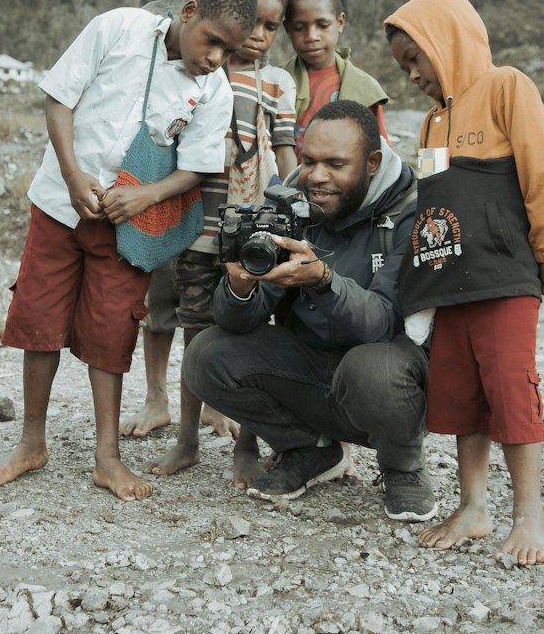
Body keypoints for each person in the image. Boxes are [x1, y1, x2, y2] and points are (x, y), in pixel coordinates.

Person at [0, 0, 258, 503]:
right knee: (40, 318)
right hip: (60, 206)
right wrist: (69, 173)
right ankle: (31, 442)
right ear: (188, 11)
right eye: (212, 40)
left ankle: (107, 457)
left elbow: (197, 169)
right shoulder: (118, 28)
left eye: (230, 50)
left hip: (128, 226)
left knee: (111, 332)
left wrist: (147, 196)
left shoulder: (214, 90)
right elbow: (59, 100)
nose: (217, 57)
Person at [385, 0, 544, 566]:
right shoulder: (430, 126)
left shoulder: (506, 88)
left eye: (416, 58)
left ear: (449, 40)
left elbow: (543, 174)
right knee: (461, 390)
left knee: (510, 385)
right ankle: (473, 506)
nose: (412, 74)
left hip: (503, 275)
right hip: (449, 283)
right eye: (403, 65)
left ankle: (529, 516)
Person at [183, 101, 437, 521]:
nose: (317, 177)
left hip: (385, 373)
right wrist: (242, 284)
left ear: (372, 162)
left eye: (336, 164)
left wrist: (323, 281)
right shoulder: (289, 202)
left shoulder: (411, 211)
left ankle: (402, 467)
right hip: (311, 368)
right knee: (208, 354)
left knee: (373, 368)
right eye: (309, 161)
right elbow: (237, 323)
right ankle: (310, 450)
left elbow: (382, 323)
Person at [150, 0, 297, 487]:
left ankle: (246, 447)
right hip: (197, 230)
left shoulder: (279, 83)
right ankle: (187, 439)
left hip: (250, 243)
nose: (257, 35)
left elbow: (285, 161)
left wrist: (285, 217)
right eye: (250, 23)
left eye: (270, 26)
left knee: (249, 338)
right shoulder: (200, 72)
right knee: (195, 334)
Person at [124, 0, 237, 441]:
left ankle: (211, 400)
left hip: (223, 182)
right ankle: (154, 398)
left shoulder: (246, 16)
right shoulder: (156, 17)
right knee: (159, 293)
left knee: (209, 299)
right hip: (164, 175)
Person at [284, 0, 389, 162]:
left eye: (322, 26)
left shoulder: (363, 89)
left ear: (340, 22)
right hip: (286, 187)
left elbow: (380, 154)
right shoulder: (278, 82)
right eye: (299, 28)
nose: (311, 36)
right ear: (287, 29)